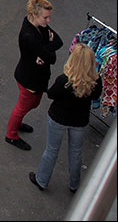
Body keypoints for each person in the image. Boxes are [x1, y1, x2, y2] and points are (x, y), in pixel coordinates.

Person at [29, 44, 102, 192]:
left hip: (58, 118)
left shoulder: (64, 80)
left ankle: (42, 180)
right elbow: (96, 96)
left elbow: (51, 94)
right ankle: (74, 184)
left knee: (51, 150)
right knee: (75, 152)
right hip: (80, 121)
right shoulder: (95, 81)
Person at [5, 0, 64, 151]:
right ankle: (11, 135)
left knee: (34, 103)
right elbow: (52, 57)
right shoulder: (29, 36)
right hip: (29, 78)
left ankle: (16, 125)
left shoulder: (39, 26)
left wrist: (45, 48)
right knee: (23, 106)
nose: (49, 21)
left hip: (36, 77)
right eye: (46, 17)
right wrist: (48, 47)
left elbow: (59, 41)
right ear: (35, 15)